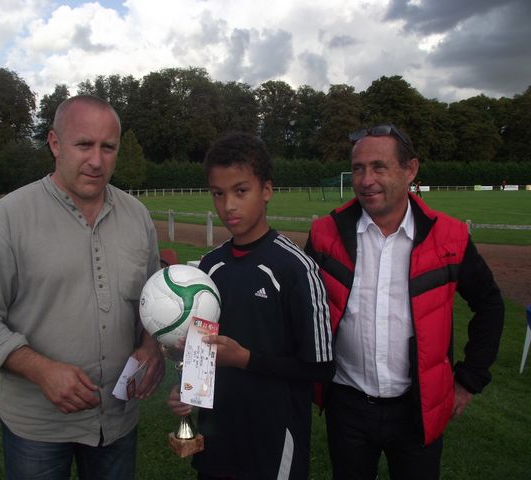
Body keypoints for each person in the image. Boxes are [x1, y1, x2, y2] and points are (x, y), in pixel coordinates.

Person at [0, 95, 165, 480]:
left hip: (117, 420)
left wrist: (151, 346)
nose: (97, 160)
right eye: (84, 144)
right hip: (38, 428)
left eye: (108, 147)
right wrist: (39, 369)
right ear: (54, 143)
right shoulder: (6, 219)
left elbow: (154, 299)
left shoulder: (137, 217)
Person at [305, 124, 504, 480]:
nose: (366, 180)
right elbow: (303, 308)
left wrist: (468, 380)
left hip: (417, 409)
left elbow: (489, 304)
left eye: (379, 167)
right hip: (347, 406)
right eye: (358, 169)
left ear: (410, 170)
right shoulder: (325, 233)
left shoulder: (450, 237)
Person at [167, 132, 334, 479]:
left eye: (240, 191)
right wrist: (187, 389)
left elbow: (321, 367)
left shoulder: (296, 268)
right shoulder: (208, 267)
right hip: (217, 437)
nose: (228, 205)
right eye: (218, 193)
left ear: (266, 190)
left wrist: (245, 359)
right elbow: (203, 349)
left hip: (273, 438)